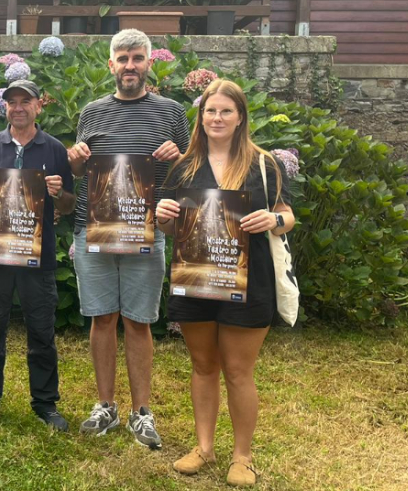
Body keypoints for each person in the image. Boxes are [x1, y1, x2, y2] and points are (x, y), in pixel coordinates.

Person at [155, 79, 295, 487]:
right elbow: (168, 228)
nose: (217, 118)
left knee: (237, 370)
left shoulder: (265, 165)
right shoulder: (184, 166)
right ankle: (204, 447)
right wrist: (164, 216)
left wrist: (274, 219)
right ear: (200, 118)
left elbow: (288, 215)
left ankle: (243, 456)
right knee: (202, 366)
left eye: (225, 111)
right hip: (196, 276)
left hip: (249, 280)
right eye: (210, 111)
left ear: (240, 118)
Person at [66, 29, 190, 447]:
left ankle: (141, 412)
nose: (130, 66)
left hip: (145, 230)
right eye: (123, 58)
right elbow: (80, 175)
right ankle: (105, 406)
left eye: (138, 58)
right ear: (111, 65)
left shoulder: (172, 113)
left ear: (149, 63)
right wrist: (75, 160)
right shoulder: (91, 112)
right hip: (95, 229)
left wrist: (180, 156)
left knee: (139, 322)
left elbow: (190, 173)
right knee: (102, 318)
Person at [0, 79, 75, 431]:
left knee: (41, 329)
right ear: (5, 107)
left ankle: (45, 403)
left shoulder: (54, 149)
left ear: (39, 106)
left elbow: (69, 205)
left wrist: (59, 193)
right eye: (13, 102)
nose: (19, 107)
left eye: (26, 101)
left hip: (37, 255)